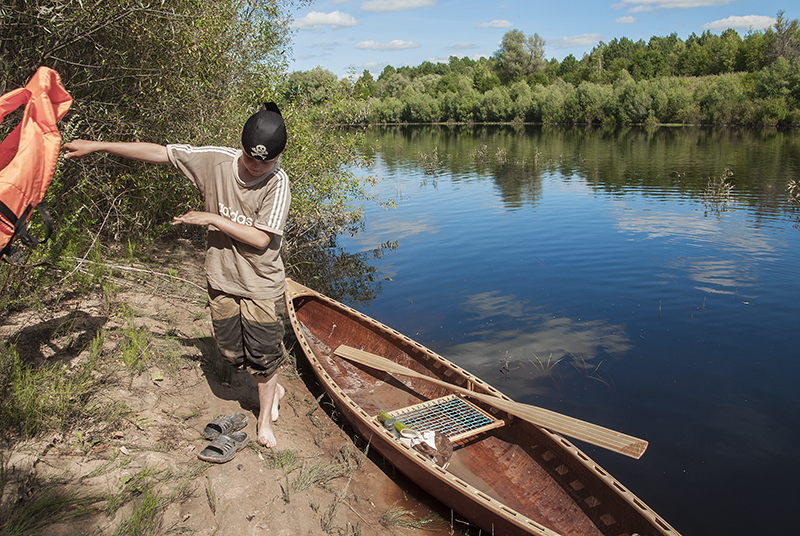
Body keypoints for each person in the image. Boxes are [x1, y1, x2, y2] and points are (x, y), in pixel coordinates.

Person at [62, 103, 291, 448]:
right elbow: (161, 152)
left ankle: (264, 419)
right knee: (233, 354)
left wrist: (212, 219)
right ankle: (272, 383)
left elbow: (261, 239)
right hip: (221, 278)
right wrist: (98, 145)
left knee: (263, 355)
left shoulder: (277, 183)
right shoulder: (214, 160)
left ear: (277, 159)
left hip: (260, 283)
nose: (256, 166)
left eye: (266, 161)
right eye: (250, 157)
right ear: (240, 146)